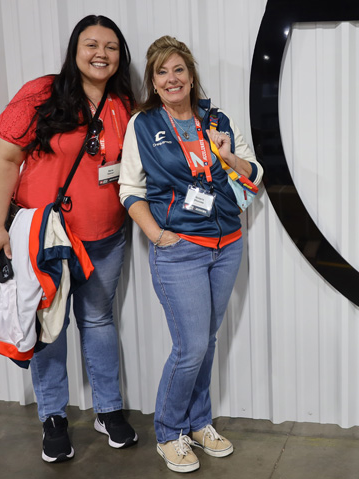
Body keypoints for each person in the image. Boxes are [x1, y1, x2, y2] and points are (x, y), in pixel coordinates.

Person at [0, 15, 137, 463]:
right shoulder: (42, 94)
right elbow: (6, 160)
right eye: (91, 44)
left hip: (107, 236)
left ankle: (108, 410)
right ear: (75, 49)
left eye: (111, 46)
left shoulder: (124, 102)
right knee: (49, 327)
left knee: (99, 321)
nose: (101, 54)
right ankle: (53, 417)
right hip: (48, 240)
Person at [119, 35, 264, 473]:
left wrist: (227, 156)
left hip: (227, 247)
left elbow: (254, 174)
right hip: (181, 251)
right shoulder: (142, 125)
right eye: (162, 72)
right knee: (192, 345)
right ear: (153, 81)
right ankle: (168, 431)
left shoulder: (216, 119)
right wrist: (158, 235)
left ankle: (198, 423)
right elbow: (130, 188)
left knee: (207, 342)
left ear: (190, 74)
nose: (171, 78)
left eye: (178, 69)